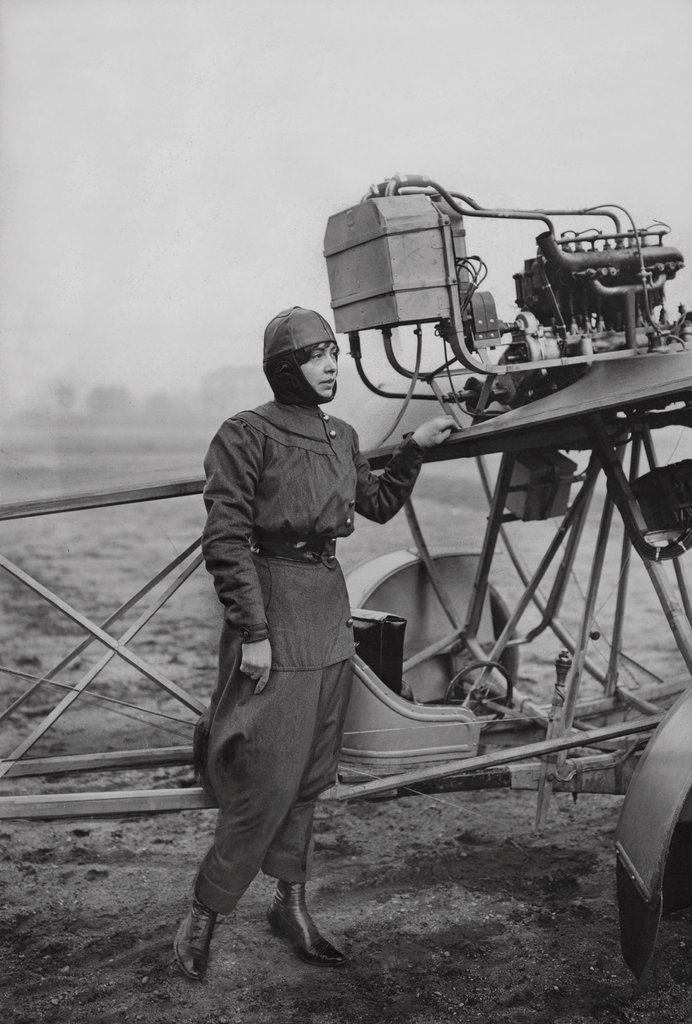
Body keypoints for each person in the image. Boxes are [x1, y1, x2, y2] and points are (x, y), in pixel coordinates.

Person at [174, 306, 456, 981]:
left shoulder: (341, 434)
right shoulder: (244, 434)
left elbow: (378, 503)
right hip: (273, 614)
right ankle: (204, 913)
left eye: (334, 353)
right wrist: (255, 633)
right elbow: (226, 540)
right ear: (284, 367)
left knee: (311, 775)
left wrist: (415, 446)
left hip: (329, 613)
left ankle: (290, 905)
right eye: (315, 355)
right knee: (267, 777)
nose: (331, 365)